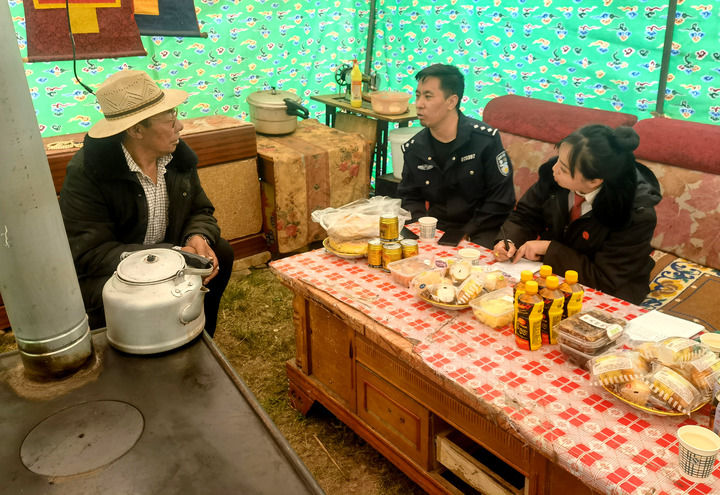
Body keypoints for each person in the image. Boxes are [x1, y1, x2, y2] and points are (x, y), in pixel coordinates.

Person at [59, 70, 233, 336]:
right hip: (115, 271)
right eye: (170, 120)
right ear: (136, 130)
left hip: (172, 253)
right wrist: (172, 255)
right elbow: (89, 253)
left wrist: (198, 236)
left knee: (220, 252)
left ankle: (200, 337)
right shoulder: (89, 172)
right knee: (120, 297)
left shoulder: (177, 157)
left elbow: (200, 209)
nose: (180, 126)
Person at [492, 124, 662, 304]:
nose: (554, 168)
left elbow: (605, 278)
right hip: (555, 270)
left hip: (610, 289)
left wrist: (550, 249)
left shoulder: (634, 214)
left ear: (594, 181)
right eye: (558, 159)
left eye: (564, 169)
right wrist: (509, 241)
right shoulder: (555, 179)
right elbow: (525, 216)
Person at [397, 64, 516, 247]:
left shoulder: (485, 140)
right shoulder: (415, 148)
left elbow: (501, 199)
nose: (419, 104)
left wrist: (467, 232)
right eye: (418, 95)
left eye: (428, 96)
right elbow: (409, 197)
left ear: (451, 102)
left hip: (482, 229)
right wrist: (422, 228)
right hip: (437, 229)